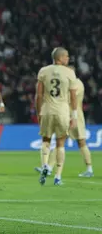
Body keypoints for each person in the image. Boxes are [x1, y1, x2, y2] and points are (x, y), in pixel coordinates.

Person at [35, 66, 93, 177]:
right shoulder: (68, 83)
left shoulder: (77, 84)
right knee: (59, 143)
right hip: (64, 115)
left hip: (75, 116)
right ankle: (49, 168)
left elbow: (70, 98)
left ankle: (89, 169)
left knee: (81, 142)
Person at [36, 47, 78, 186]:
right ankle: (57, 177)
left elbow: (39, 95)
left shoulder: (43, 71)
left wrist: (38, 112)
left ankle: (45, 166)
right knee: (60, 144)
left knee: (45, 141)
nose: (68, 59)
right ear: (60, 58)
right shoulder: (69, 72)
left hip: (47, 110)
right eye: (66, 56)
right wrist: (75, 115)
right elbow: (73, 96)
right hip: (62, 111)